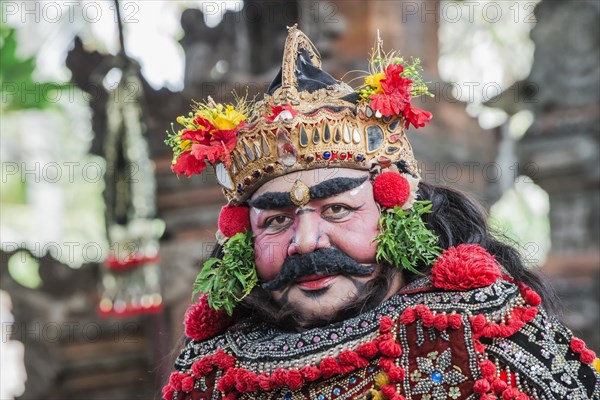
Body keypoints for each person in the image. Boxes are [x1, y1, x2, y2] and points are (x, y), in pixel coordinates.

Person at [162, 26, 599, 400]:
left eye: (336, 209)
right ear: (242, 240)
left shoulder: (477, 333)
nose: (307, 240)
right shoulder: (214, 373)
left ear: (395, 211)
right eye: (276, 221)